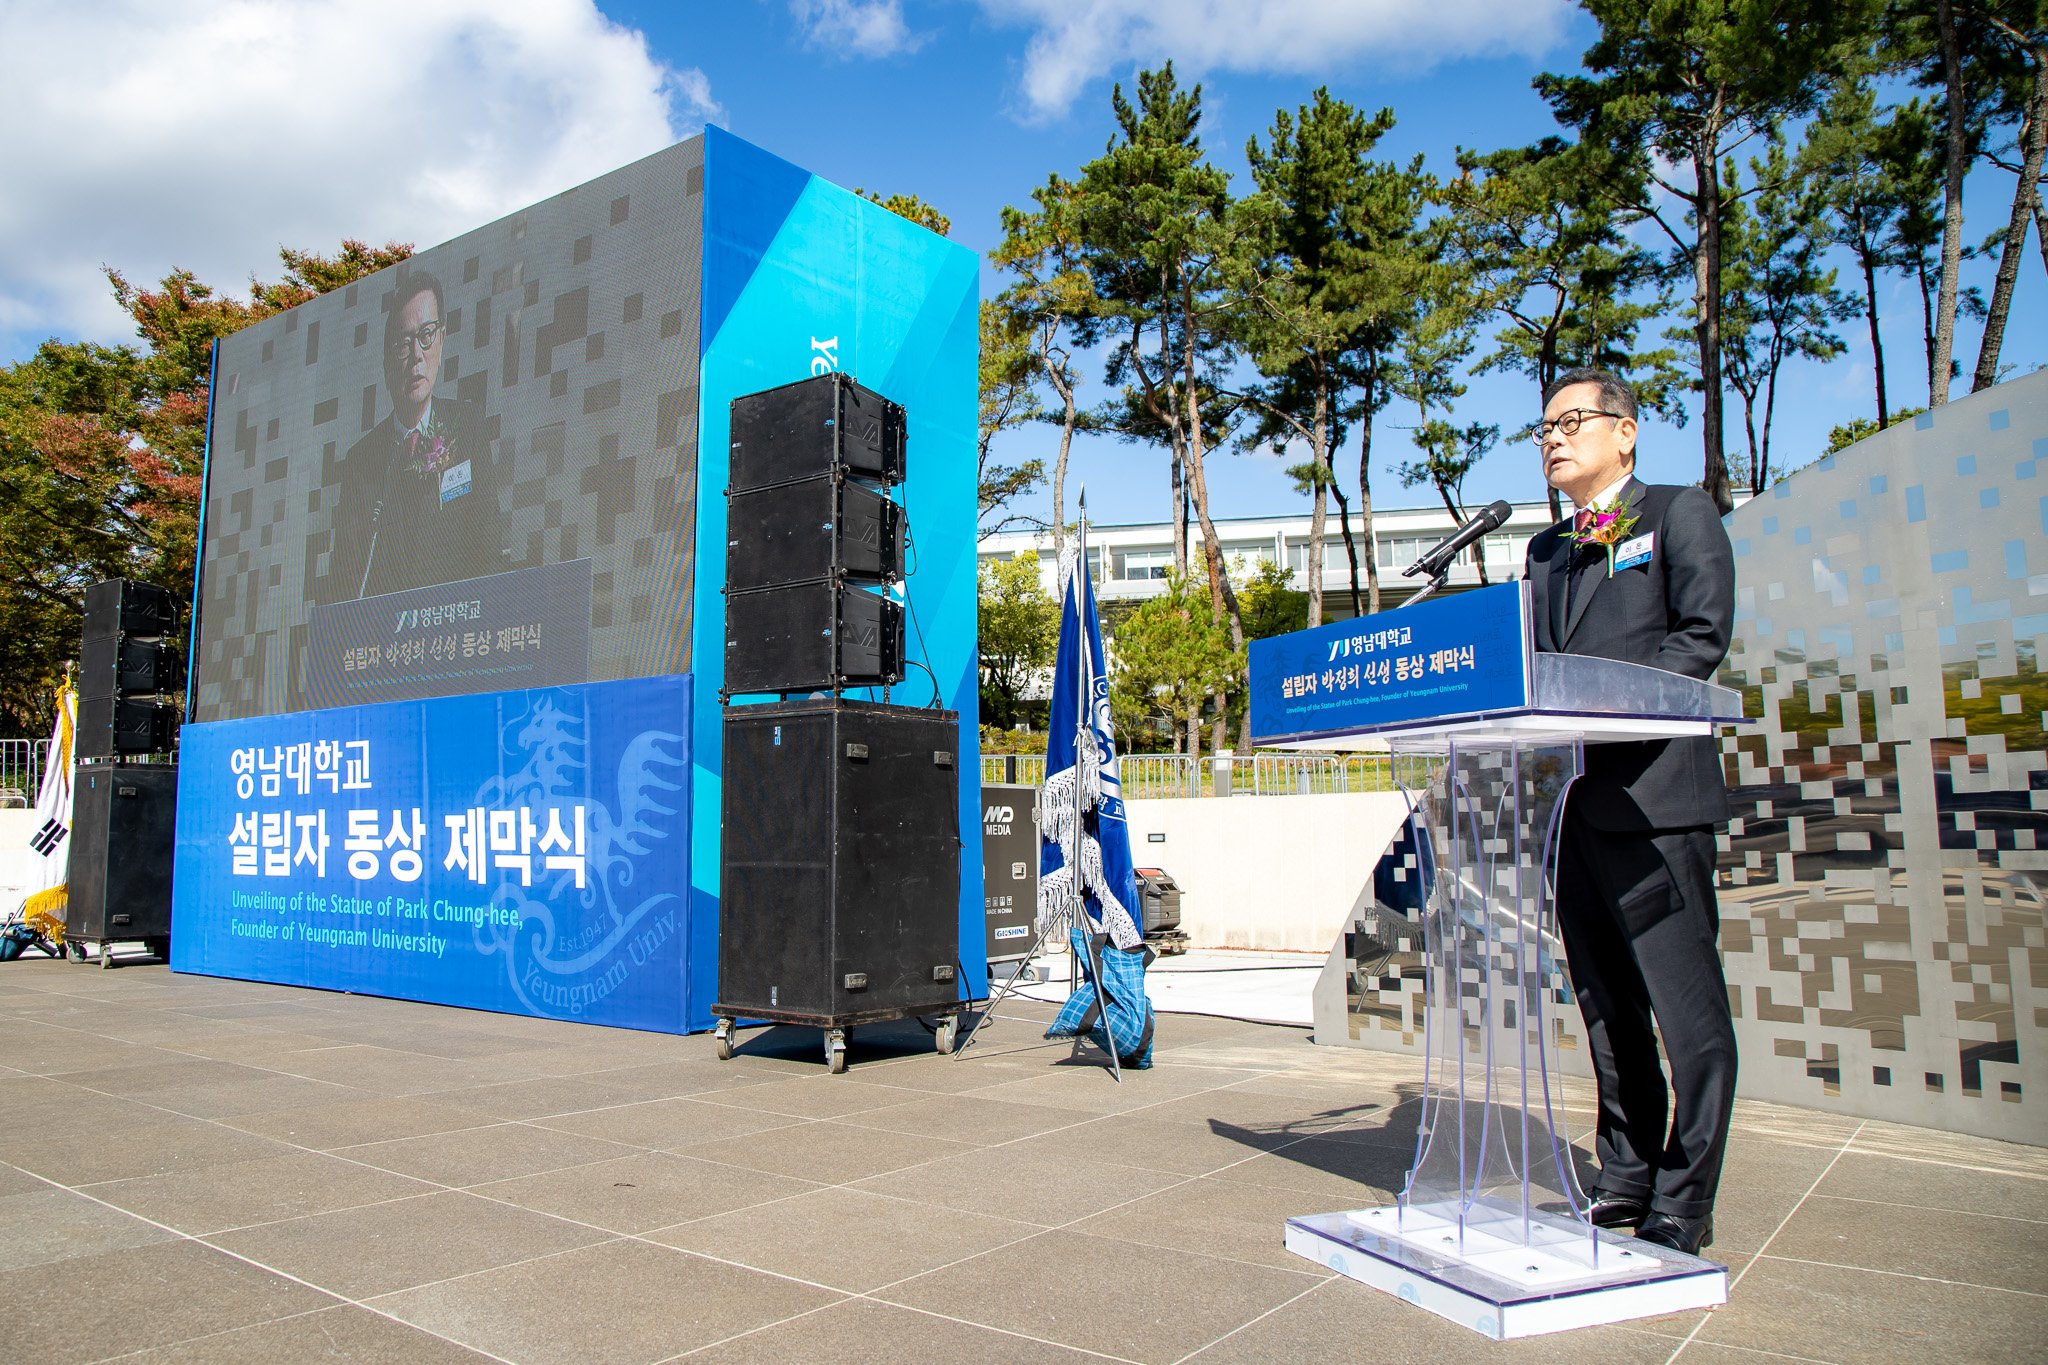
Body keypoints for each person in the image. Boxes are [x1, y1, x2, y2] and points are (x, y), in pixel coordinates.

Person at [1523, 366, 1737, 1257]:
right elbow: (1530, 669)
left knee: (1686, 1017)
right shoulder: (1543, 552)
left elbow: (1701, 638)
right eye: (1544, 429)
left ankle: (1687, 1193)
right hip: (1572, 807)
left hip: (1656, 803)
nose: (1555, 438)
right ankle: (1628, 1170)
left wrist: (1608, 707)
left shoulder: (1677, 513)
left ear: (1627, 430)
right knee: (1607, 1006)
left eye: (1572, 420)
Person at [321, 270, 504, 602]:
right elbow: (344, 579)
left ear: (443, 338)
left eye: (426, 335)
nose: (417, 355)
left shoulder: (467, 427)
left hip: (453, 627)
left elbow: (487, 545)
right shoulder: (362, 460)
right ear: (389, 360)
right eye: (403, 343)